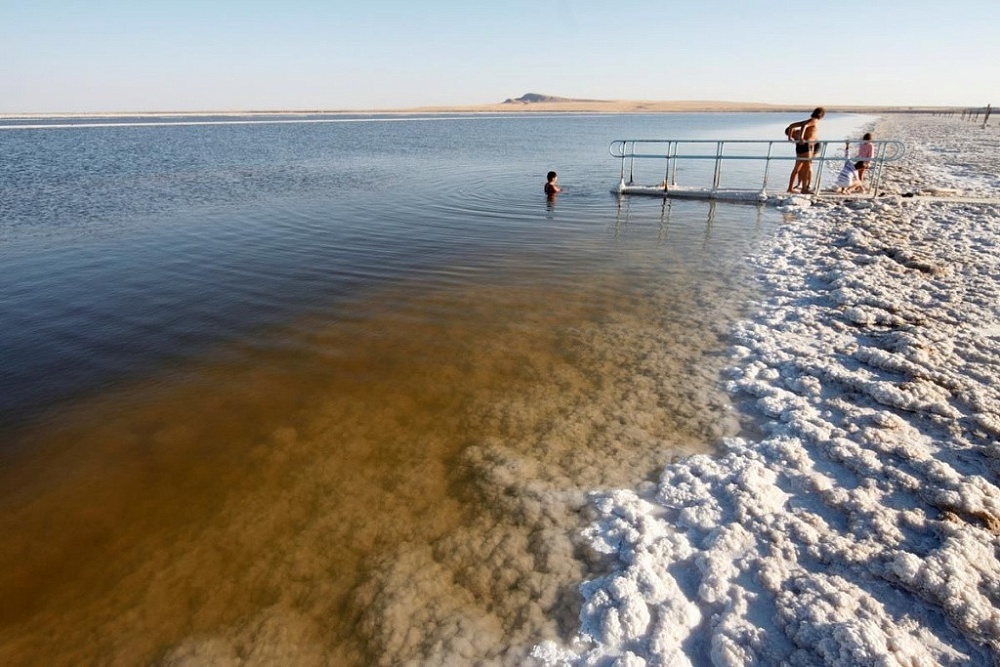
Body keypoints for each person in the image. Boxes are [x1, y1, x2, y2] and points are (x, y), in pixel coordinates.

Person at [784, 107, 826, 194]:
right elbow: (804, 126)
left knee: (797, 168)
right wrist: (802, 138)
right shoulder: (814, 120)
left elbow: (791, 126)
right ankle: (804, 189)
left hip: (801, 146)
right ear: (821, 115)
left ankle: (790, 188)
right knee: (806, 167)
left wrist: (789, 138)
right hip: (806, 145)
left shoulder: (808, 120)